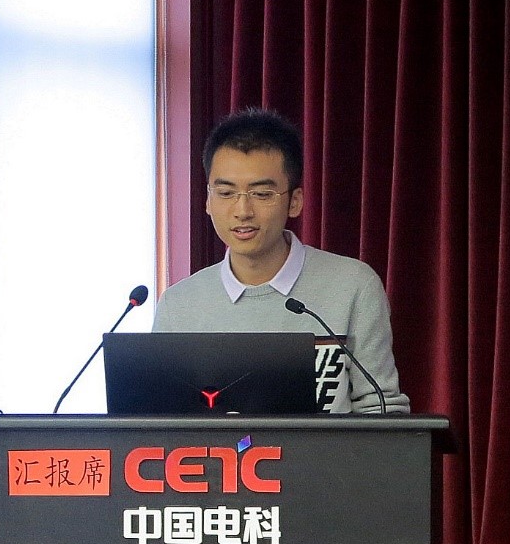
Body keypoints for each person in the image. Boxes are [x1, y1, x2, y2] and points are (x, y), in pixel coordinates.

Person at [152, 108, 410, 413]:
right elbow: (162, 422)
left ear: (295, 201)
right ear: (208, 200)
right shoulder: (178, 305)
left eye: (262, 194)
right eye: (226, 193)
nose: (242, 211)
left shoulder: (354, 286)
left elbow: (381, 410)